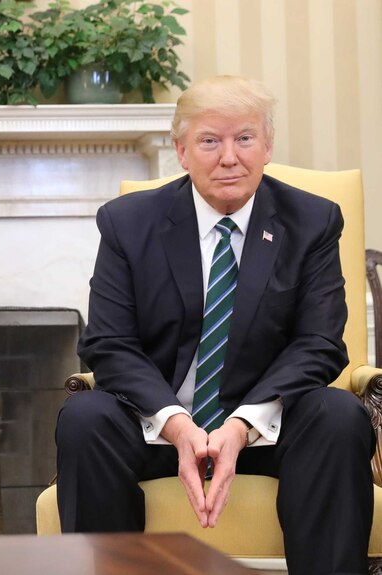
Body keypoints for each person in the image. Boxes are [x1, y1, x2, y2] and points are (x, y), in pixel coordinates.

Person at [56, 76, 375, 575]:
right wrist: (178, 426)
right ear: (182, 151)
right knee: (84, 419)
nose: (229, 157)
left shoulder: (311, 221)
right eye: (210, 140)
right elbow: (109, 343)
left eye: (244, 138)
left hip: (267, 426)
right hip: (161, 427)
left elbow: (319, 343)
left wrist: (241, 425)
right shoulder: (128, 222)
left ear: (266, 146)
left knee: (338, 416)